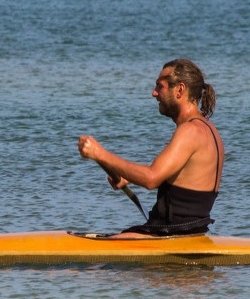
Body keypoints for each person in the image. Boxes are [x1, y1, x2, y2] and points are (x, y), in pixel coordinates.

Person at [78, 58, 224, 235]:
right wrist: (128, 177)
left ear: (180, 89)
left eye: (159, 86)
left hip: (168, 234)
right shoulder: (209, 130)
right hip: (193, 232)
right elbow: (184, 180)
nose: (154, 93)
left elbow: (151, 178)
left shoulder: (189, 131)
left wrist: (99, 154)